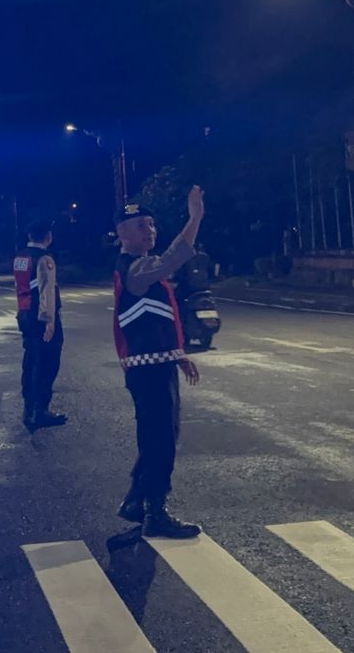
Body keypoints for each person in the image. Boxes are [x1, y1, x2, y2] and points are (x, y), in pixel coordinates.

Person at [112, 190, 205, 539]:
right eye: (140, 225)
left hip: (154, 364)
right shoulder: (136, 268)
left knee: (159, 436)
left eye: (151, 224)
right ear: (122, 233)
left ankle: (138, 501)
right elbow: (171, 260)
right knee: (160, 440)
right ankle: (155, 512)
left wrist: (178, 354)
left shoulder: (139, 267)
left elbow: (156, 319)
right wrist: (194, 219)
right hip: (148, 370)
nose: (150, 231)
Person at [13, 221, 67, 429]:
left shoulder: (20, 257)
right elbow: (47, 291)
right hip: (40, 316)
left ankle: (29, 408)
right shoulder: (44, 259)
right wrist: (49, 321)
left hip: (24, 313)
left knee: (30, 361)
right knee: (47, 362)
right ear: (47, 236)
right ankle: (40, 411)